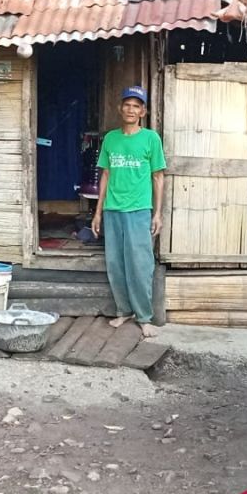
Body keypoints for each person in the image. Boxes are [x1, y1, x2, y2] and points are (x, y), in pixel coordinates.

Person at [92, 86, 166, 338]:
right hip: (113, 210)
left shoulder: (151, 139)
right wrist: (98, 212)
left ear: (143, 111)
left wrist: (157, 213)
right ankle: (124, 311)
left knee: (140, 264)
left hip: (139, 210)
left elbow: (158, 177)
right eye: (127, 104)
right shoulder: (111, 139)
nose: (131, 109)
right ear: (120, 108)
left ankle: (144, 317)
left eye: (136, 106)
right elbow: (105, 174)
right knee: (116, 263)